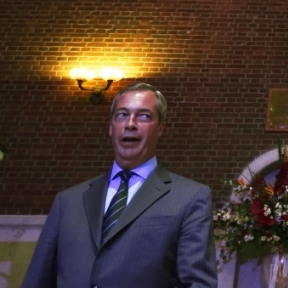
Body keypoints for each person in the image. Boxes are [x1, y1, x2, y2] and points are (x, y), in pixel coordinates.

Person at [22, 82, 218, 287]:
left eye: (144, 116)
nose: (130, 123)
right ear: (110, 127)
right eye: (122, 115)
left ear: (160, 128)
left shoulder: (190, 197)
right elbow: (37, 279)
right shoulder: (68, 201)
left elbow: (198, 284)